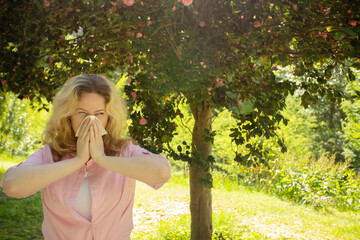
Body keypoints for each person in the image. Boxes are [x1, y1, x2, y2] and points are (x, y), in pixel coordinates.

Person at [0, 74, 171, 240]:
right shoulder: (51, 153)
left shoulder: (125, 150)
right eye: (82, 112)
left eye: (99, 114)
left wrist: (102, 159)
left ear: (109, 118)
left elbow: (161, 172)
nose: (90, 120)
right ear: (69, 115)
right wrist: (78, 160)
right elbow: (12, 186)